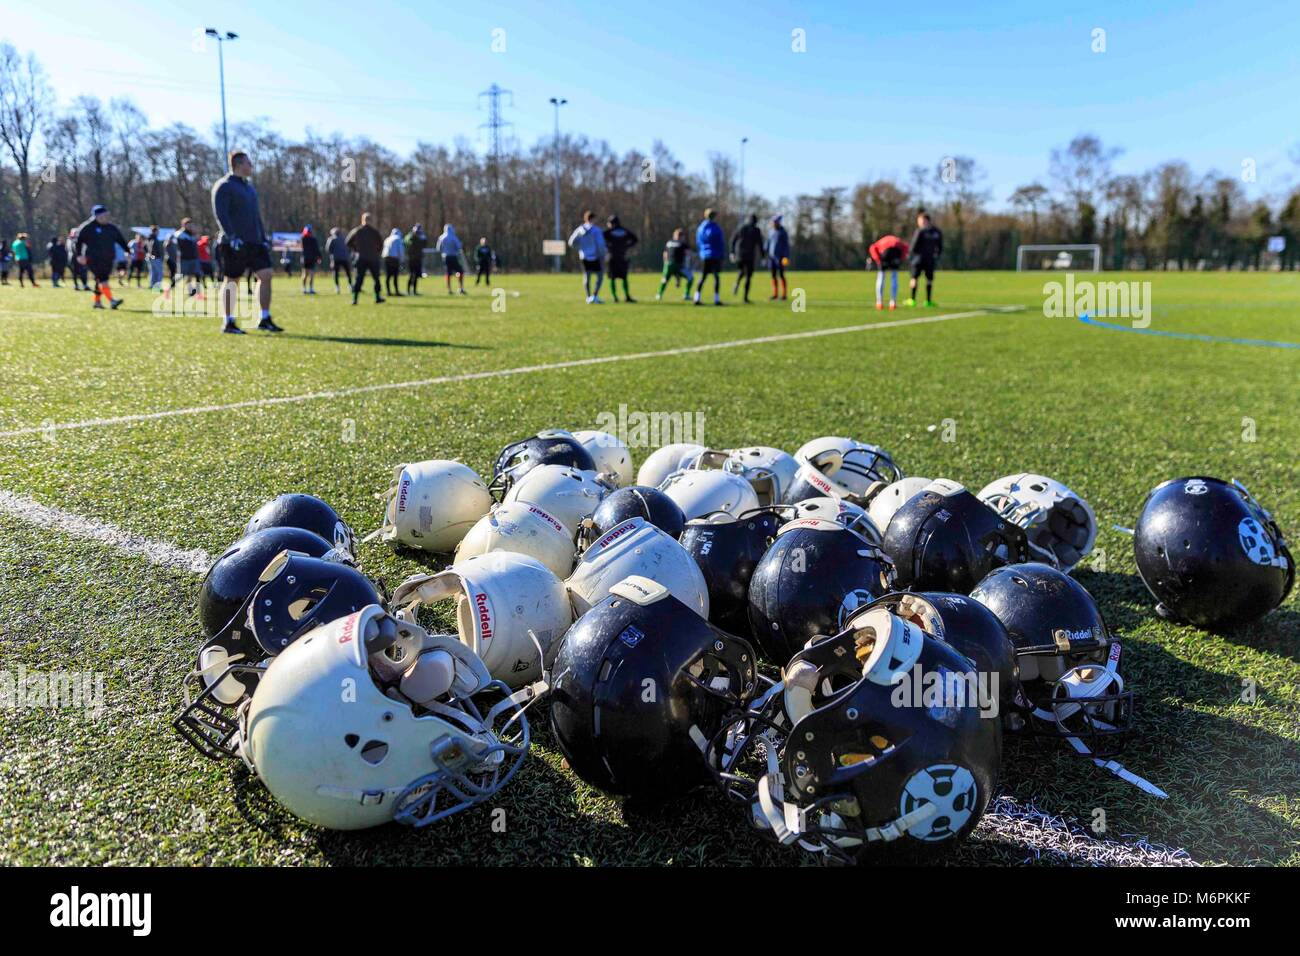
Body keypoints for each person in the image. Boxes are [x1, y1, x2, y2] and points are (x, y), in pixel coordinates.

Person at [211, 150, 281, 334]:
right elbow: (221, 214)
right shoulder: (224, 186)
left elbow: (256, 217)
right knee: (232, 280)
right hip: (234, 243)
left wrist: (263, 238)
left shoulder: (249, 188)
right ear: (238, 164)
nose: (251, 166)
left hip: (255, 242)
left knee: (266, 275)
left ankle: (264, 318)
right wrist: (232, 236)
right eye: (248, 163)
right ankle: (228, 321)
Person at [73, 204, 130, 309]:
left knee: (100, 280)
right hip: (93, 258)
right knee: (103, 279)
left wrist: (128, 251)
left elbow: (121, 240)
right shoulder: (88, 227)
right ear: (96, 216)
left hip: (108, 258)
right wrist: (79, 255)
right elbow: (78, 241)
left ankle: (97, 302)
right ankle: (112, 301)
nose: (106, 218)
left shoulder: (111, 228)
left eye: (107, 215)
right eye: (103, 216)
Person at [906, 210, 943, 307]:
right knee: (926, 279)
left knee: (915, 278)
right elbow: (940, 247)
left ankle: (913, 300)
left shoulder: (920, 231)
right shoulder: (937, 232)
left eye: (920, 220)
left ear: (926, 220)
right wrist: (937, 255)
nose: (919, 223)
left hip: (918, 259)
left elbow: (913, 246)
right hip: (930, 259)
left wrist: (910, 255)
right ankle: (927, 301)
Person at [568, 211, 606, 303]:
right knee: (600, 276)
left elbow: (571, 242)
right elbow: (601, 244)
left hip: (584, 256)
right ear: (593, 218)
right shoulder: (596, 230)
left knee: (587, 277)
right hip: (596, 257)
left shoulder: (579, 229)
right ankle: (595, 296)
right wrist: (602, 254)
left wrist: (580, 248)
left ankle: (588, 297)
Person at [346, 212, 385, 305]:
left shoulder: (357, 230)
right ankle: (377, 297)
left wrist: (356, 249)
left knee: (359, 278)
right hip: (372, 258)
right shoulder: (374, 232)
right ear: (371, 220)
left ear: (362, 220)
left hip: (361, 257)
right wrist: (376, 252)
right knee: (376, 278)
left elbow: (347, 242)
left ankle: (355, 299)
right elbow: (381, 244)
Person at [868, 234, 909, 311]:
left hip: (885, 252)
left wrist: (878, 260)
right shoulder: (897, 240)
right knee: (894, 276)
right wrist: (901, 259)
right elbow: (906, 247)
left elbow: (872, 248)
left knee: (881, 276)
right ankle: (893, 303)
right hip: (896, 252)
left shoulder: (881, 242)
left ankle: (879, 302)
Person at [693, 208, 725, 307]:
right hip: (714, 255)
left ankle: (697, 297)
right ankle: (716, 299)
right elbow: (720, 242)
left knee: (702, 277)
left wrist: (701, 252)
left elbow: (698, 242)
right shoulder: (716, 228)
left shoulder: (700, 228)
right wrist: (721, 254)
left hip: (704, 256)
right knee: (716, 277)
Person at [603, 215, 638, 303]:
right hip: (623, 257)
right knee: (624, 277)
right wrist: (627, 246)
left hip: (612, 257)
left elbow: (601, 240)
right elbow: (635, 239)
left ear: (612, 223)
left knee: (612, 278)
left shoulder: (608, 233)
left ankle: (615, 297)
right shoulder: (625, 231)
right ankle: (627, 296)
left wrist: (607, 246)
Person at [730, 213, 763, 303]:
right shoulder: (756, 230)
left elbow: (733, 240)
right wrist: (763, 256)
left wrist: (732, 252)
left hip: (740, 254)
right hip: (749, 255)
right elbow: (760, 243)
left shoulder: (742, 228)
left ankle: (737, 282)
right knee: (748, 276)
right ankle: (745, 297)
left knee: (742, 271)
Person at [655, 228, 694, 301]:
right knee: (690, 277)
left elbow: (665, 254)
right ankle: (686, 294)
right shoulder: (683, 244)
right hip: (678, 266)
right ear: (682, 236)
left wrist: (665, 265)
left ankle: (659, 294)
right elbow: (688, 254)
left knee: (664, 280)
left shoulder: (669, 243)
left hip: (668, 265)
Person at [170, 218, 202, 299]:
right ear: (183, 225)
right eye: (188, 224)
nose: (190, 226)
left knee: (192, 275)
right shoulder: (179, 234)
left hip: (193, 258)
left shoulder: (192, 235)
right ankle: (171, 286)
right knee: (181, 275)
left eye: (191, 224)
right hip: (184, 258)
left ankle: (191, 291)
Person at [435, 224, 468, 295]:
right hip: (453, 257)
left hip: (445, 257)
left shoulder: (441, 237)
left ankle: (449, 289)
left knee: (448, 273)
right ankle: (461, 288)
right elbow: (459, 246)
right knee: (460, 271)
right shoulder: (453, 237)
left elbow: (438, 248)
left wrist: (444, 251)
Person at [765, 215, 790, 301]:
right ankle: (775, 294)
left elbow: (786, 245)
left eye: (775, 222)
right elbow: (768, 243)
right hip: (771, 257)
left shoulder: (783, 232)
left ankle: (784, 295)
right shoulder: (771, 232)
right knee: (773, 275)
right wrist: (765, 252)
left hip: (780, 257)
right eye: (773, 222)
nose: (774, 223)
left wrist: (786, 256)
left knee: (781, 275)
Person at [326, 226, 351, 293]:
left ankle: (337, 287)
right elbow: (348, 248)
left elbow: (328, 249)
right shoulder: (344, 238)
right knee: (348, 273)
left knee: (336, 273)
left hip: (336, 258)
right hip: (345, 258)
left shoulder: (331, 239)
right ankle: (350, 286)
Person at [382, 227, 404, 297]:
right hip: (394, 259)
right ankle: (396, 291)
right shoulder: (398, 238)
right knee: (395, 276)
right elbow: (400, 250)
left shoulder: (387, 239)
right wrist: (402, 260)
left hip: (386, 258)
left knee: (388, 276)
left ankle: (388, 292)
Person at [405, 224, 427, 294]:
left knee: (416, 275)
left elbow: (424, 244)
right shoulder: (410, 236)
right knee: (412, 274)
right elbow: (406, 242)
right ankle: (409, 291)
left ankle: (414, 291)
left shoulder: (421, 237)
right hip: (412, 259)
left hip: (417, 259)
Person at [300, 225, 320, 295]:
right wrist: (319, 257)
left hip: (309, 259)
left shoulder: (306, 239)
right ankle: (306, 289)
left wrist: (319, 257)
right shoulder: (304, 239)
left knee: (309, 274)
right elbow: (316, 249)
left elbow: (316, 249)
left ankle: (308, 289)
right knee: (307, 274)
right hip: (307, 259)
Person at [145, 225, 165, 291]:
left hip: (150, 258)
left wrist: (148, 254)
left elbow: (145, 247)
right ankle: (157, 287)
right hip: (155, 258)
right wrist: (155, 255)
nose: (158, 232)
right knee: (159, 272)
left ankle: (152, 285)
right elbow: (152, 248)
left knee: (153, 272)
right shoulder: (153, 238)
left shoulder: (148, 238)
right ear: (155, 231)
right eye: (158, 231)